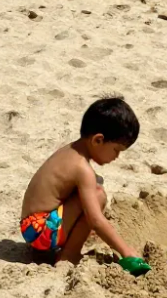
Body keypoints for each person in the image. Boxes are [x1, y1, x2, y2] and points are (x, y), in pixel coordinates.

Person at [20, 97, 141, 265]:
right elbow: (96, 220)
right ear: (98, 140)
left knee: (91, 189)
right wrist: (126, 252)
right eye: (116, 150)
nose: (116, 157)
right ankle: (69, 254)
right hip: (40, 232)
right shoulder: (82, 168)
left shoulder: (71, 151)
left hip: (31, 226)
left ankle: (49, 249)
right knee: (97, 195)